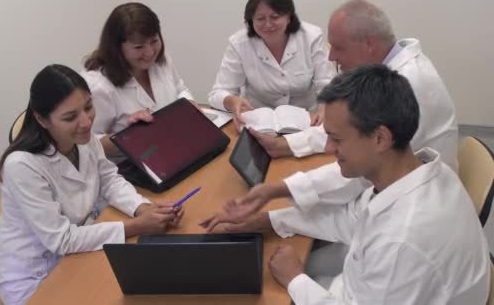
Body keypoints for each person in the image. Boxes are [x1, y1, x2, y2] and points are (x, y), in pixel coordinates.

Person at [201, 65, 490, 304]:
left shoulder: (401, 241)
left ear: (380, 138)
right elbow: (351, 220)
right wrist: (267, 220)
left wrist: (296, 279)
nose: (328, 149)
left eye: (337, 139)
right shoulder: (420, 174)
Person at [0, 65, 183, 305]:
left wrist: (143, 208)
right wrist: (137, 226)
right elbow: (62, 240)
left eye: (89, 107)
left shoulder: (81, 136)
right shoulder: (22, 166)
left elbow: (109, 180)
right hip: (36, 277)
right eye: (70, 117)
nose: (86, 122)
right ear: (41, 119)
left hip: (78, 248)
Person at [245, 0, 459, 214]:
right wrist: (285, 145)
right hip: (397, 193)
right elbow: (351, 129)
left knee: (298, 234)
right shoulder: (387, 74)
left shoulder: (409, 84)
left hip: (419, 206)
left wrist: (281, 189)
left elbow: (360, 172)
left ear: (369, 44)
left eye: (338, 48)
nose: (331, 57)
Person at [208, 0, 335, 131]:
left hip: (308, 123)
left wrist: (325, 107)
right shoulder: (239, 44)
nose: (268, 24)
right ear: (251, 20)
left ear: (289, 16)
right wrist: (230, 100)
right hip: (258, 126)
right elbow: (218, 93)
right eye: (260, 18)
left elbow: (328, 84)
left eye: (275, 17)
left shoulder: (311, 37)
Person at [82, 2, 195, 159]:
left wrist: (188, 106)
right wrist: (129, 136)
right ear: (117, 47)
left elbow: (180, 89)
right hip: (128, 166)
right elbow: (86, 145)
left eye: (154, 41)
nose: (149, 52)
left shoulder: (161, 60)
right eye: (138, 47)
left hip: (171, 148)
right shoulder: (98, 86)